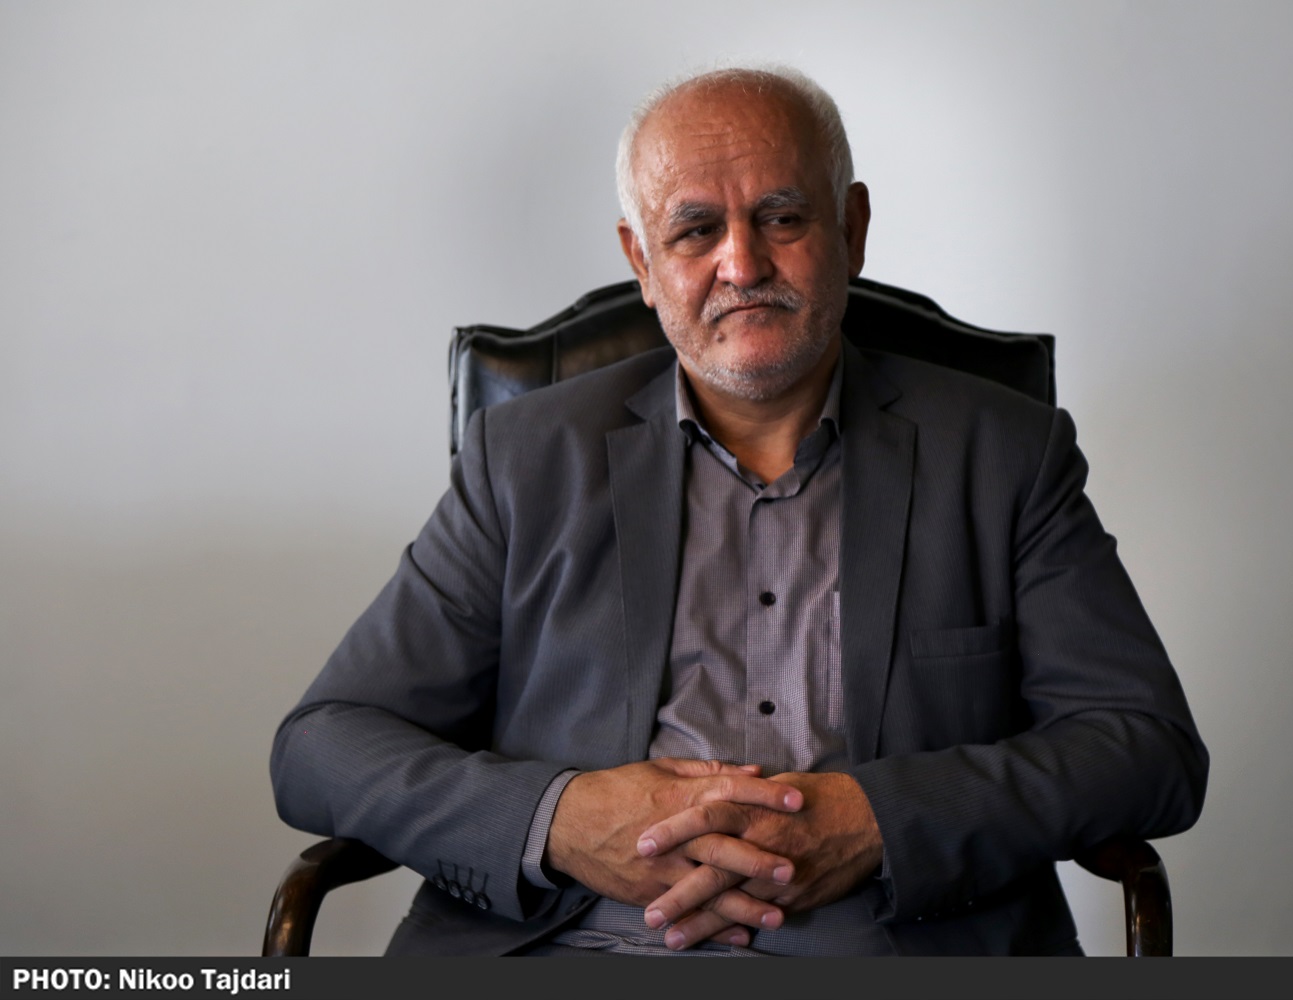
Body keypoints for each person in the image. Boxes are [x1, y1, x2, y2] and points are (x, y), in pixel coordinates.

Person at [270, 65, 1208, 957]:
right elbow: (322, 746)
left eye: (783, 217)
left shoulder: (1003, 454)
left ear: (852, 228)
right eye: (694, 230)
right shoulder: (524, 458)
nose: (742, 262)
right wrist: (558, 819)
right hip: (568, 946)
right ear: (642, 261)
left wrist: (882, 820)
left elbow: (1146, 749)